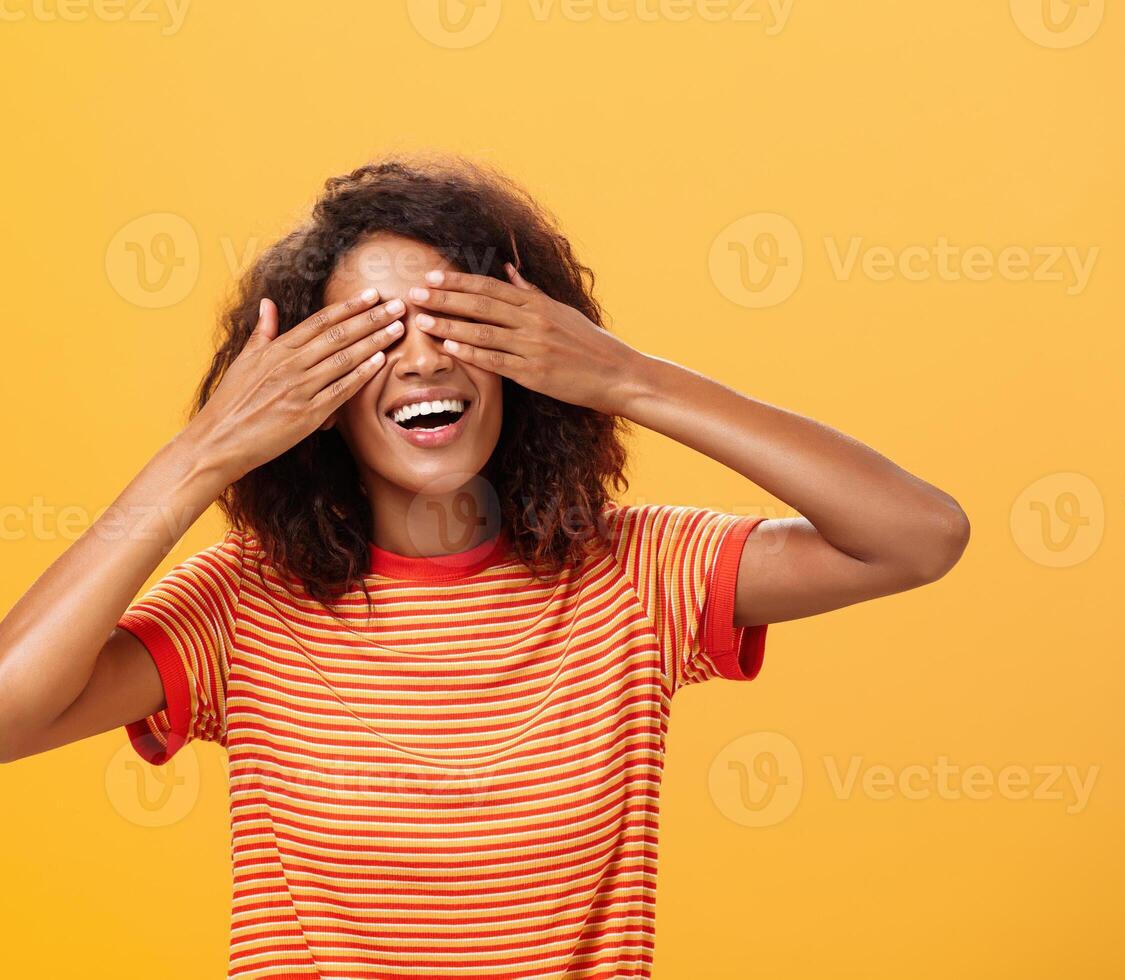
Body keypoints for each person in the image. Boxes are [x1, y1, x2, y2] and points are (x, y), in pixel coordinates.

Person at [0, 158, 969, 976]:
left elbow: (916, 535)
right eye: (372, 334)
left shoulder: (636, 572)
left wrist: (627, 375)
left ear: (525, 356)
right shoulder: (239, 605)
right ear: (312, 395)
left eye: (456, 322)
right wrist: (204, 451)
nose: (422, 360)